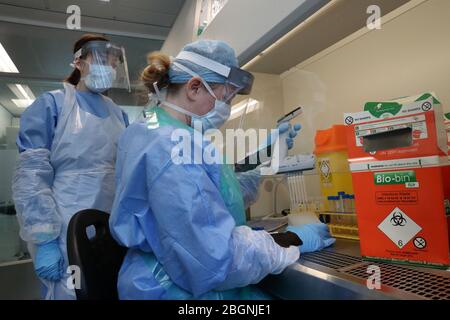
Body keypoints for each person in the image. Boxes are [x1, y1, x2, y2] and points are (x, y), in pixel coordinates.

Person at [109, 40, 335, 300]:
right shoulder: (173, 146)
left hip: (163, 275)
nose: (225, 108)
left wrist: (262, 158)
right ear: (194, 87)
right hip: (175, 287)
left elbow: (218, 194)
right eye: (226, 97)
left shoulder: (154, 127)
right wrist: (291, 239)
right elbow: (215, 258)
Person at [12, 34, 130, 300]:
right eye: (101, 60)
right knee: (71, 291)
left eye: (113, 63)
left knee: (108, 288)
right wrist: (44, 238)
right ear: (79, 62)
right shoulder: (53, 104)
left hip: (111, 224)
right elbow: (31, 176)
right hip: (65, 222)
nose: (109, 68)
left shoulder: (118, 113)